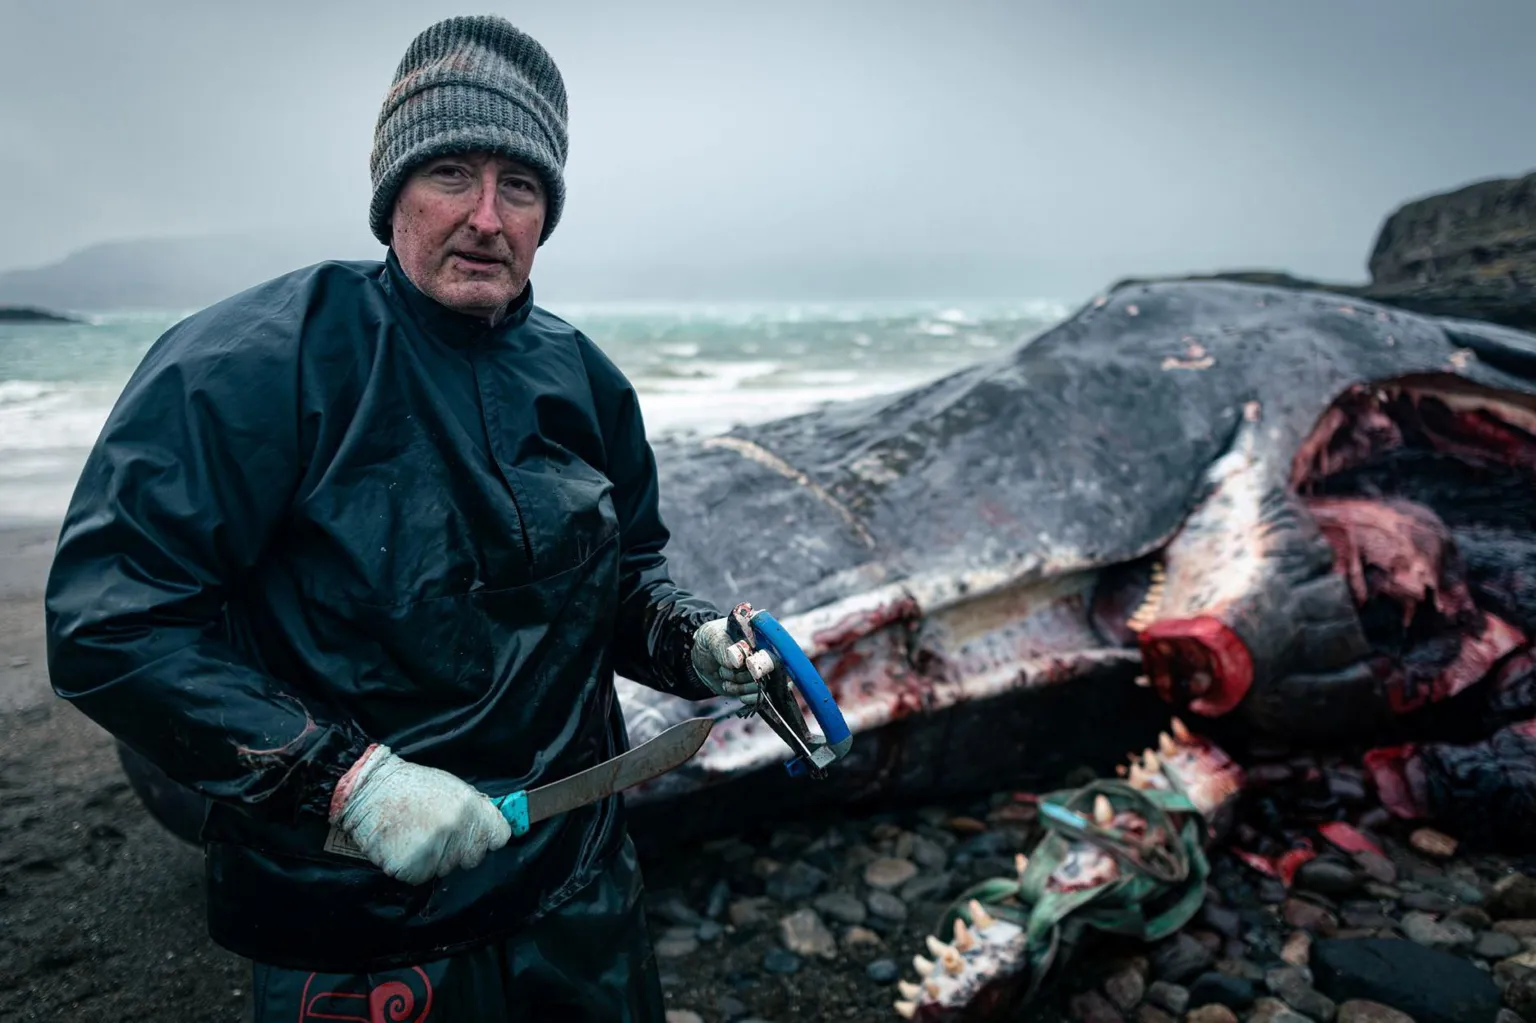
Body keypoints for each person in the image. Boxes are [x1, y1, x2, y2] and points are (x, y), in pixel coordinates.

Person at [44, 14, 760, 1022]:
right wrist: (348, 783)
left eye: (520, 186)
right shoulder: (247, 369)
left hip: (573, 885)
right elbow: (110, 625)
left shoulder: (585, 383)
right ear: (392, 197)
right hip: (355, 913)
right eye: (451, 175)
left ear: (547, 213)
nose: (485, 216)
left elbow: (623, 582)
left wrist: (694, 642)